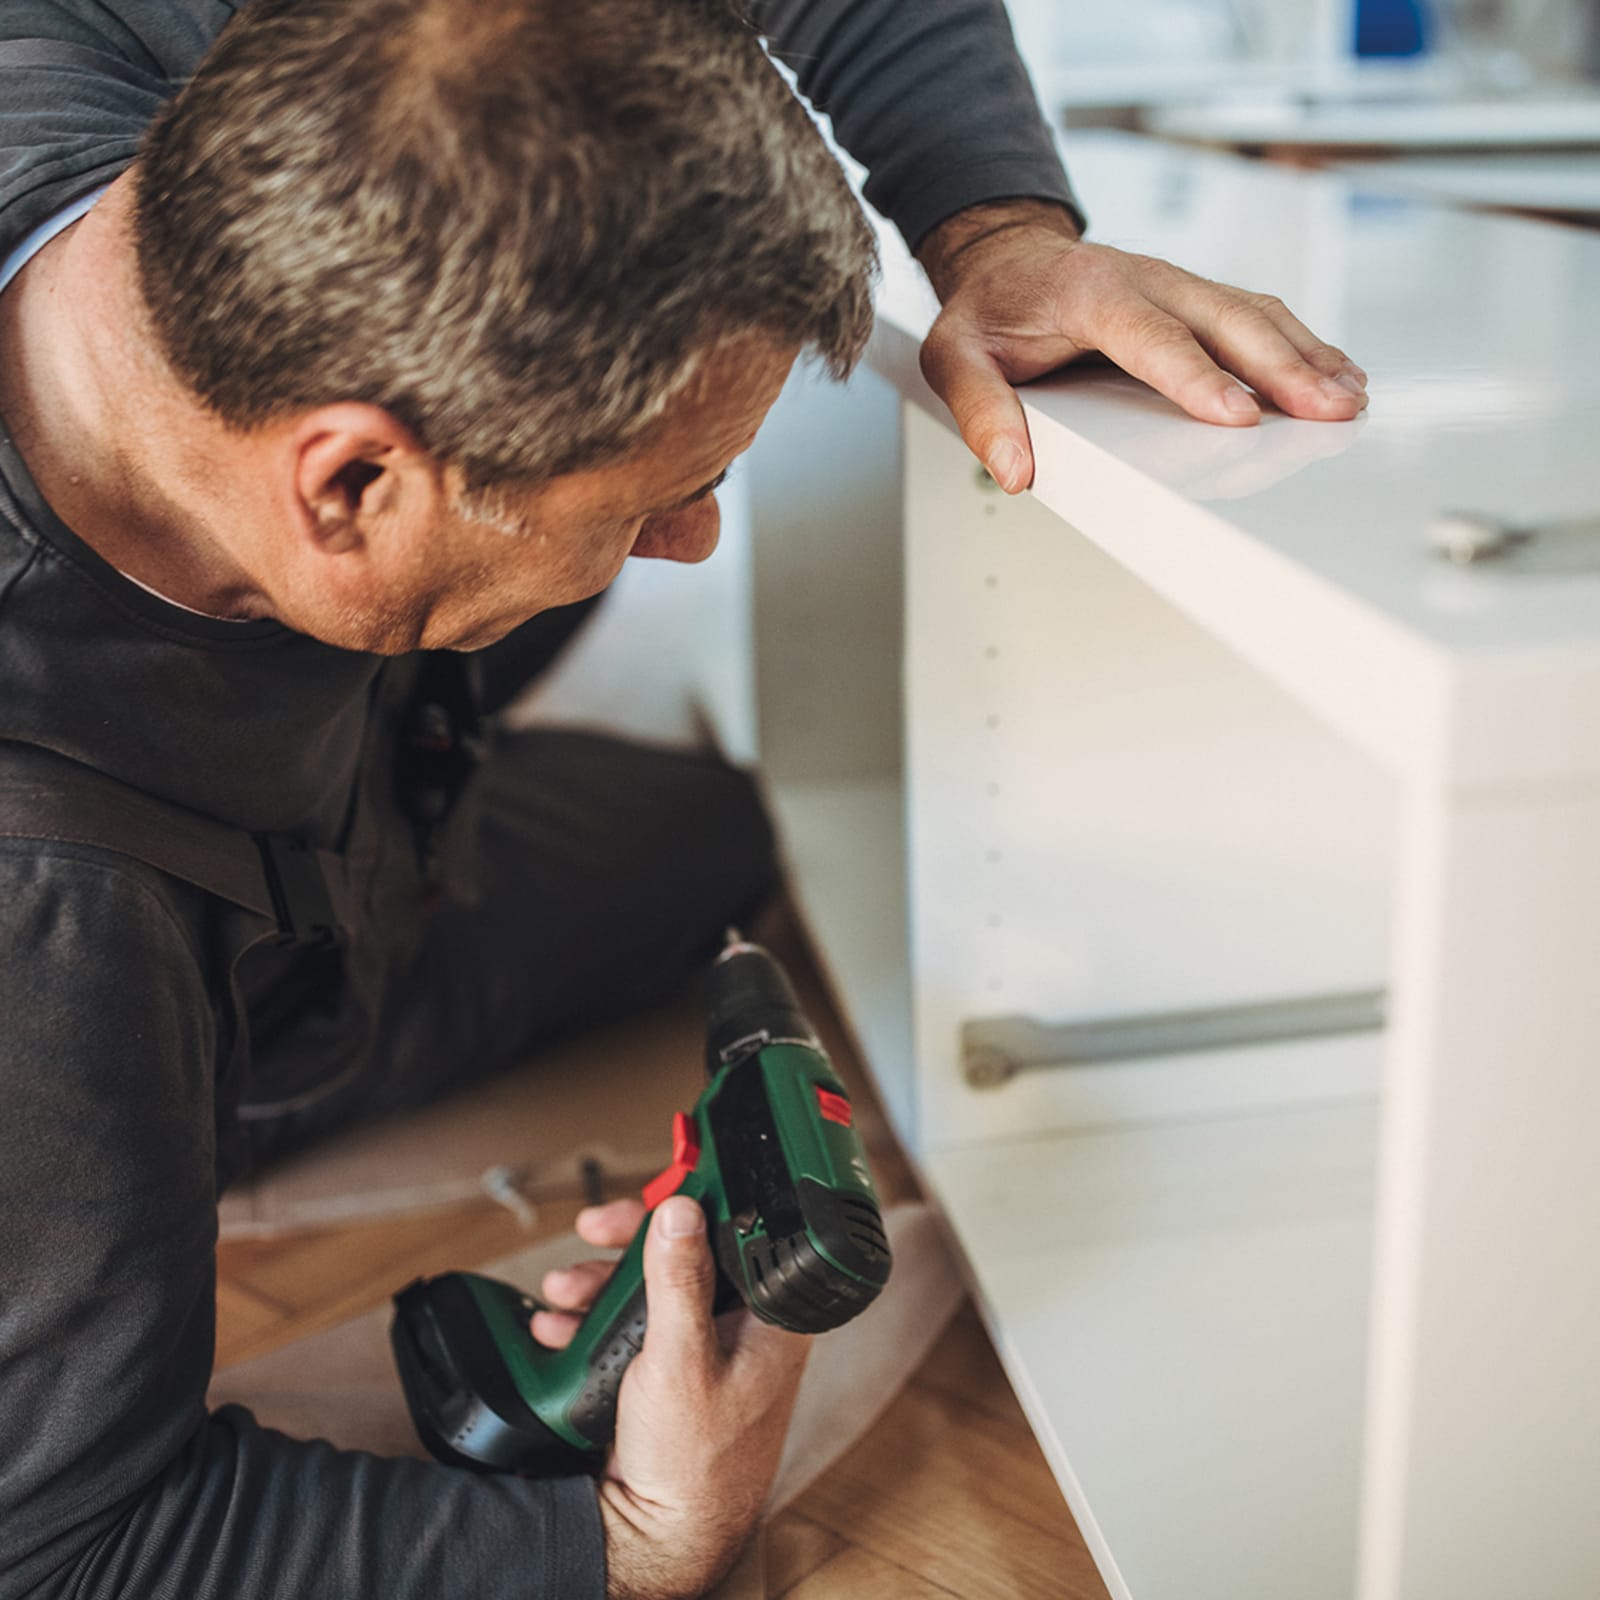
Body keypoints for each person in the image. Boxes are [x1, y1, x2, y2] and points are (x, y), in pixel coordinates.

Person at [0, 3, 1369, 1598]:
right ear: (349, 482)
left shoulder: (78, 36)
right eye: (666, 499)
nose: (698, 541)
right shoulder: (57, 932)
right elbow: (67, 1545)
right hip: (219, 968)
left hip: (358, 747)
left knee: (712, 830)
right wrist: (636, 1540)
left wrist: (995, 231)